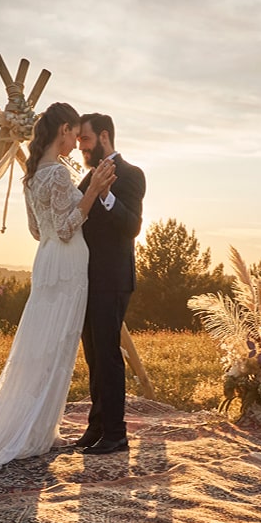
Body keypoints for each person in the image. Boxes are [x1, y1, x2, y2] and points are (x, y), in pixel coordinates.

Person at [0, 102, 117, 470]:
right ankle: (31, 431)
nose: (77, 141)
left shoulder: (32, 175)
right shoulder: (56, 174)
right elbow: (69, 226)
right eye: (74, 133)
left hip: (47, 259)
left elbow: (38, 230)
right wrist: (93, 191)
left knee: (42, 342)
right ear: (63, 131)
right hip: (69, 264)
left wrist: (72, 211)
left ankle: (38, 426)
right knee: (57, 344)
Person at [70, 112, 145, 454]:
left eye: (84, 139)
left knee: (109, 354)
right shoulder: (86, 179)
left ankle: (117, 433)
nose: (80, 147)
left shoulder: (131, 174)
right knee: (94, 356)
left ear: (103, 137)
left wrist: (105, 196)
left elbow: (132, 227)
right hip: (87, 279)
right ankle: (96, 426)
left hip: (114, 278)